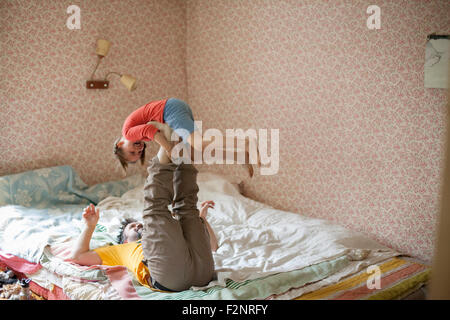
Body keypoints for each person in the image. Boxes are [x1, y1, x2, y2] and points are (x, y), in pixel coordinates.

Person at [69, 160, 218, 291]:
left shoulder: (165, 235)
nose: (137, 226)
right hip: (170, 278)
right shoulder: (117, 250)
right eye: (131, 227)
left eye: (138, 224)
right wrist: (90, 226)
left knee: (188, 209)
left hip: (204, 273)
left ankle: (182, 153)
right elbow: (77, 256)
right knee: (155, 210)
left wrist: (202, 220)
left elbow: (213, 247)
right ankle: (167, 157)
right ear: (125, 240)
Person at [113, 98, 260, 176]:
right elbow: (158, 130)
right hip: (172, 110)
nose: (138, 150)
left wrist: (169, 149)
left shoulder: (127, 133)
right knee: (194, 154)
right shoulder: (135, 134)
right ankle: (239, 156)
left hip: (170, 110)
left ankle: (246, 143)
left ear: (120, 145)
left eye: (132, 151)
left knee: (199, 143)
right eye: (138, 154)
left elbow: (152, 131)